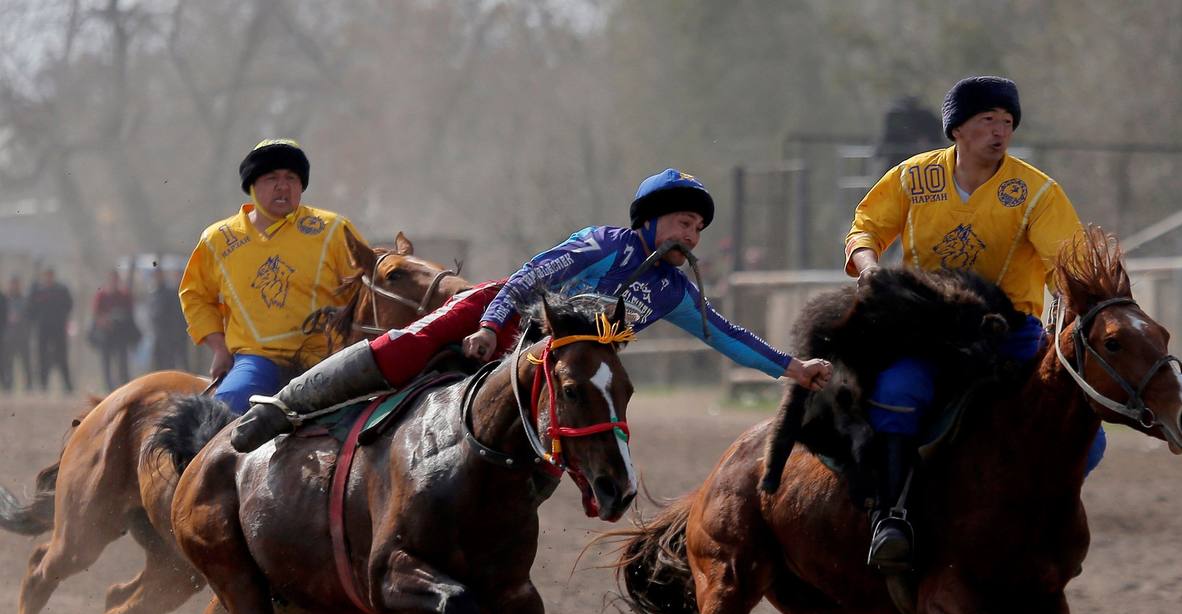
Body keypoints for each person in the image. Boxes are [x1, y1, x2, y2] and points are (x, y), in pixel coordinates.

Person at [231, 168, 833, 451]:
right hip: (500, 312)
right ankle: (282, 408)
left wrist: (791, 368)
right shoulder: (604, 244)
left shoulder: (675, 292)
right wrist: (491, 326)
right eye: (682, 221)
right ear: (650, 223)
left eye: (698, 227)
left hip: (552, 362)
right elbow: (530, 277)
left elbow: (723, 334)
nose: (692, 235)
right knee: (408, 348)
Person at [844, 75, 1102, 573]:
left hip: (1012, 333)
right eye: (988, 120)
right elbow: (865, 228)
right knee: (898, 393)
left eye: (1007, 122)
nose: (1000, 131)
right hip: (928, 328)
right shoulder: (913, 177)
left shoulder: (1035, 191)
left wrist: (1081, 297)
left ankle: (1036, 516)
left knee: (1089, 437)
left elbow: (1066, 261)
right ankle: (892, 519)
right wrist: (870, 268)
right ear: (957, 128)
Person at [179, 139, 362, 413]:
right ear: (252, 186)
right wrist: (219, 347)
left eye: (291, 177)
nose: (283, 186)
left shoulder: (334, 230)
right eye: (271, 177)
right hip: (257, 360)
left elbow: (366, 289)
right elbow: (195, 295)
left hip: (326, 360)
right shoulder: (218, 239)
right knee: (222, 414)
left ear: (301, 185)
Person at [90, 267, 140, 389]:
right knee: (106, 362)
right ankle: (108, 387)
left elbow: (130, 314)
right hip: (106, 334)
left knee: (122, 362)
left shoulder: (124, 295)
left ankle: (125, 385)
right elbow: (96, 313)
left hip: (120, 334)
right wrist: (105, 321)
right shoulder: (101, 295)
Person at [29, 268, 74, 394]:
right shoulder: (37, 290)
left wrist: (62, 317)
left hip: (58, 328)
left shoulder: (61, 290)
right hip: (42, 329)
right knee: (42, 357)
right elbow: (30, 308)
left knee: (62, 357)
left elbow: (69, 305)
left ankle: (67, 385)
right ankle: (43, 384)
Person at [149, 266, 190, 371]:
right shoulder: (154, 293)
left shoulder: (169, 293)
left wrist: (175, 332)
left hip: (172, 334)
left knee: (177, 361)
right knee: (161, 363)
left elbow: (175, 314)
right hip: (159, 334)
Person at [0, 275, 32, 391]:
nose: (14, 287)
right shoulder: (5, 300)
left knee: (26, 362)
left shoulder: (25, 300)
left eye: (16, 284)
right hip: (9, 336)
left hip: (23, 335)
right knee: (8, 362)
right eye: (12, 284)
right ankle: (8, 385)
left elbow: (30, 316)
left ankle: (29, 385)